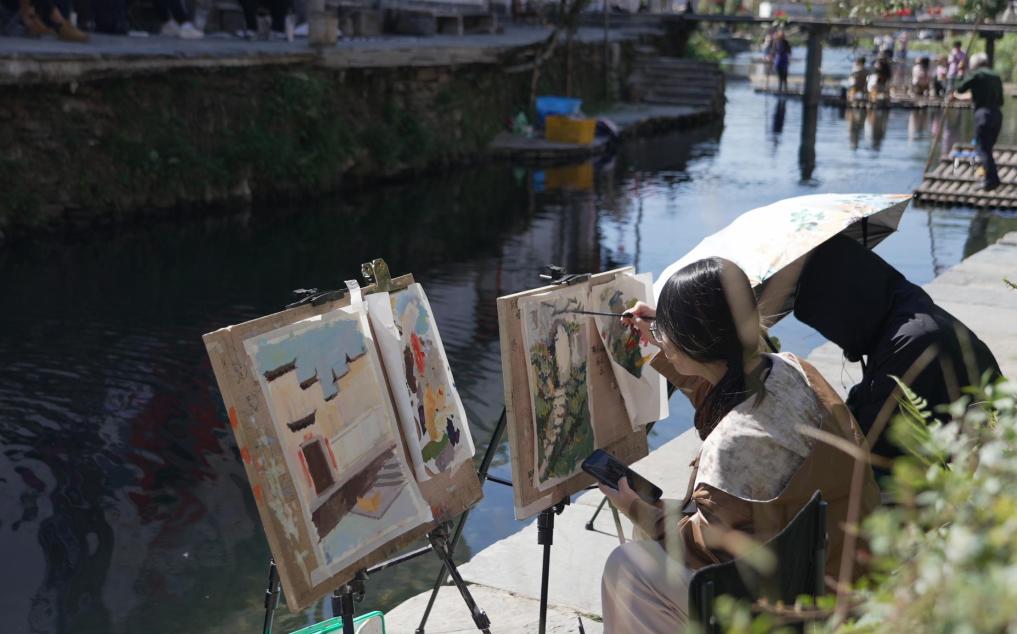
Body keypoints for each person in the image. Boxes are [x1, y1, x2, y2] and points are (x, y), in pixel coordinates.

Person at [599, 257, 881, 633]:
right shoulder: (793, 369)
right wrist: (664, 338)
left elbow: (694, 549)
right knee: (654, 531)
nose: (661, 338)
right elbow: (725, 387)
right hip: (846, 561)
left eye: (666, 331)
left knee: (627, 565)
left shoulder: (731, 446)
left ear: (689, 342)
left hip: (797, 599)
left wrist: (635, 507)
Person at [794, 235, 1001, 474]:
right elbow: (873, 397)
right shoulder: (899, 312)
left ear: (843, 306)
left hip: (982, 459)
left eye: (829, 324)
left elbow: (874, 443)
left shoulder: (910, 341)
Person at [953, 52, 1005, 190]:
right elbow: (1000, 100)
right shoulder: (996, 76)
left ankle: (992, 181)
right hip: (997, 114)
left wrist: (961, 72)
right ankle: (990, 178)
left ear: (974, 64)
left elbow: (960, 87)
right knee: (987, 148)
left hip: (983, 115)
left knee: (982, 148)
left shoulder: (976, 75)